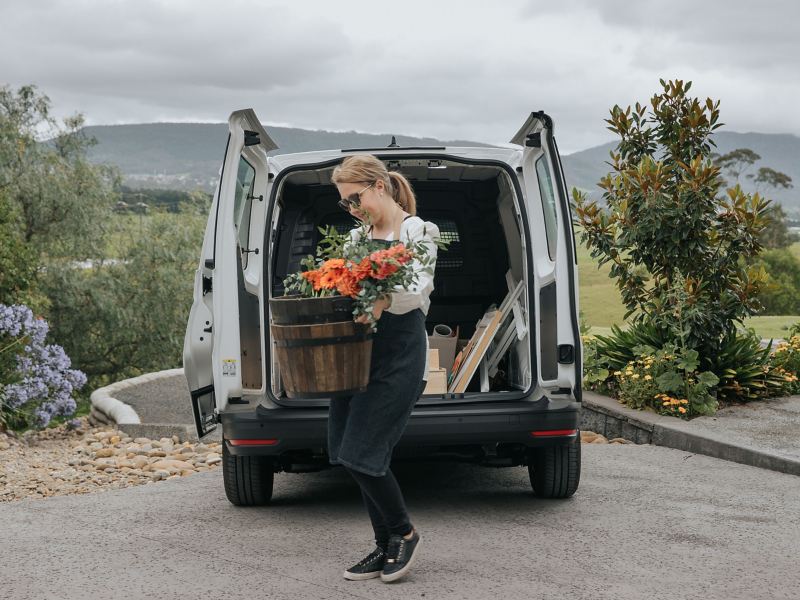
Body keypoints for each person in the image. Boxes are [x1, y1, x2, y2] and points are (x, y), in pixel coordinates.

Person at [328, 154, 440, 583]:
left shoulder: (418, 231)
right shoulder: (355, 239)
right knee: (347, 451)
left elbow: (417, 289)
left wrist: (381, 301)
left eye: (355, 199)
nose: (353, 209)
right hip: (357, 353)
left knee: (363, 452)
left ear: (378, 186)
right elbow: (347, 286)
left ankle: (404, 533)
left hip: (399, 353)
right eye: (345, 204)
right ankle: (384, 545)